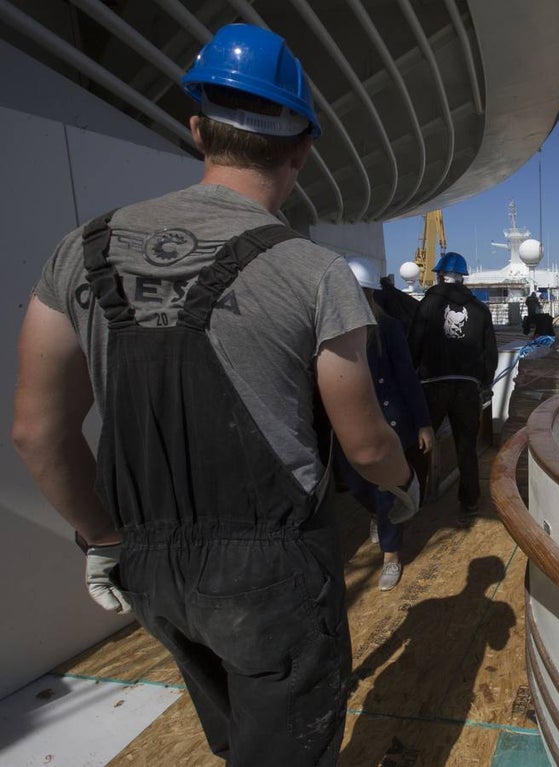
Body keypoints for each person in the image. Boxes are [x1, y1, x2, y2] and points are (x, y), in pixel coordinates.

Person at [11, 24, 416, 765]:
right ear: (301, 149)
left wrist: (104, 541)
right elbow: (365, 442)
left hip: (150, 565)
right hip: (273, 574)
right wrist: (406, 484)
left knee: (236, 737)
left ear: (197, 130)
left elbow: (38, 432)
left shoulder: (81, 250)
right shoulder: (314, 271)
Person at [341, 257, 434, 591]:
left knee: (386, 494)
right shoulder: (331, 330)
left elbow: (407, 378)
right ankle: (376, 517)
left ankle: (391, 557)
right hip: (348, 425)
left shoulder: (388, 328)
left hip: (389, 424)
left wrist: (423, 423)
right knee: (356, 485)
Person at [408, 252, 497, 526]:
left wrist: (412, 373)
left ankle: (417, 499)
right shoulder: (481, 310)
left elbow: (414, 343)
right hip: (467, 388)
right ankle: (470, 501)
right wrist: (483, 382)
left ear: (439, 275)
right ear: (463, 277)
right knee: (466, 447)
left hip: (431, 386)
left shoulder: (428, 304)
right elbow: (490, 354)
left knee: (421, 445)